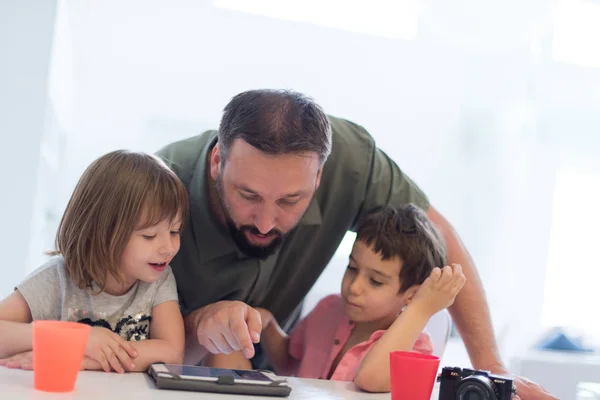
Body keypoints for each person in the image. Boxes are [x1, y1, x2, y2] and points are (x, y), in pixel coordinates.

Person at [157, 89, 556, 399]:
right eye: (247, 195)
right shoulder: (155, 187)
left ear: (319, 178)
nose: (265, 221)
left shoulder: (352, 162)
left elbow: (439, 244)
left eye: (290, 201)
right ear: (216, 162)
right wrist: (198, 326)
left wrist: (490, 366)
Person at [0, 150, 188, 373]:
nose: (169, 247)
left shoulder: (159, 278)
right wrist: (76, 339)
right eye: (149, 236)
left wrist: (88, 360)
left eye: (174, 231)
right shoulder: (58, 278)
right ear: (102, 231)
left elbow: (172, 352)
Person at [256, 204, 465, 392]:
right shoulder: (328, 309)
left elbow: (369, 379)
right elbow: (290, 364)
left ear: (411, 295)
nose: (354, 287)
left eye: (375, 281)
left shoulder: (417, 348)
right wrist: (266, 323)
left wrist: (420, 309)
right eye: (352, 268)